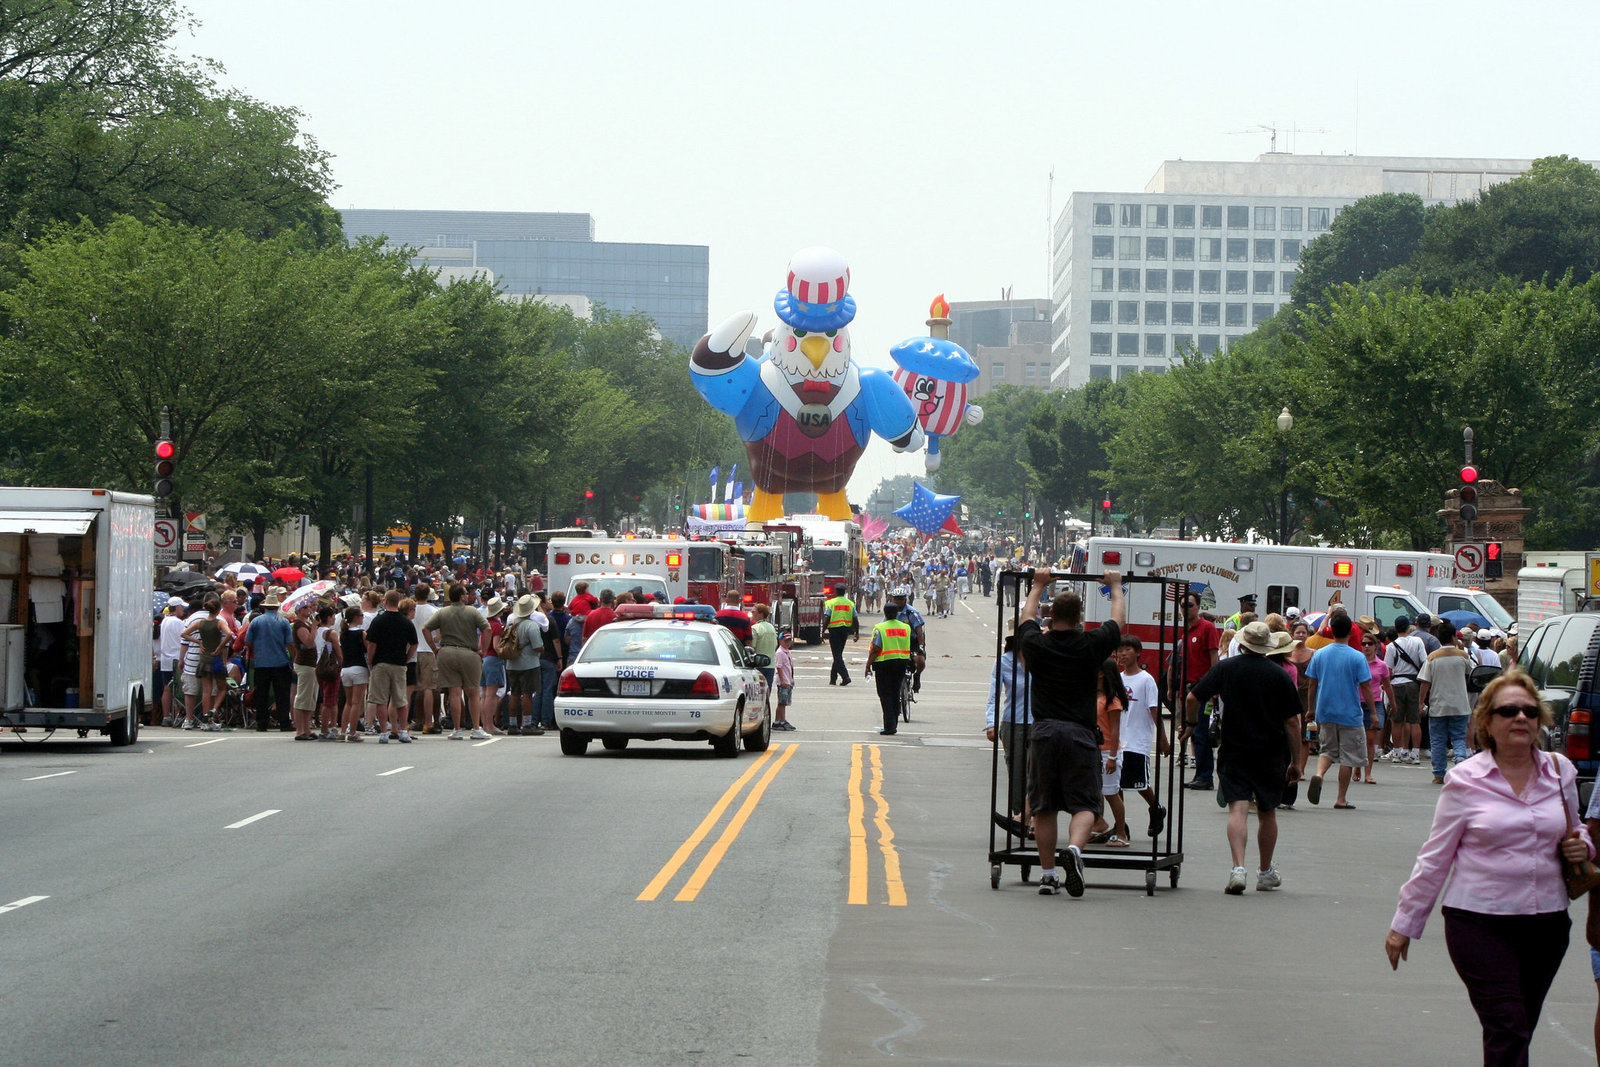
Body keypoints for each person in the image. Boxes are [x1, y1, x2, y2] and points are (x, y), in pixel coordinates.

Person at [1386, 669, 1593, 1066]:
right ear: (1487, 722)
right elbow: (1435, 856)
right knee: (1508, 1026)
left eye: (1530, 711)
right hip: (1478, 923)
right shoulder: (1465, 780)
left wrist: (1580, 846)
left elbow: (1576, 829)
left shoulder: (1560, 770)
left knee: (1516, 1031)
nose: (1521, 718)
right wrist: (1404, 925)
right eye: (1509, 710)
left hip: (1546, 923)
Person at [1017, 566, 1124, 898]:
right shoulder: (1090, 644)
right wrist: (1116, 587)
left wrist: (1037, 586)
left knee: (1045, 805)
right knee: (1085, 804)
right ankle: (1075, 850)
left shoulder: (1037, 644)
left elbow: (1025, 621)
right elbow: (1117, 624)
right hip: (1080, 731)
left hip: (1045, 730)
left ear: (1051, 616)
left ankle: (1048, 874)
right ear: (1079, 616)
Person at [1187, 621, 1304, 894]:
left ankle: (1237, 868)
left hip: (1234, 747)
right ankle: (1265, 871)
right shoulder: (1280, 675)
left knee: (1237, 808)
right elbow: (1292, 722)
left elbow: (1193, 698)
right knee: (1267, 811)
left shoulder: (1225, 668)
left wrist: (1191, 724)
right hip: (1270, 750)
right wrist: (1296, 761)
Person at [1304, 612, 1375, 809]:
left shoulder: (1319, 654)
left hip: (1325, 711)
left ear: (1332, 631)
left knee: (1327, 750)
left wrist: (1311, 708)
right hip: (1349, 713)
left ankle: (1318, 774)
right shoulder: (1357, 657)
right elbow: (1366, 686)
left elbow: (1312, 684)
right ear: (1350, 633)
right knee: (1348, 756)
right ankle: (1341, 798)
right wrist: (1374, 712)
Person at [423, 583, 492, 740]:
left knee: (454, 692)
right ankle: (475, 727)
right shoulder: (472, 611)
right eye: (466, 593)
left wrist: (434, 648)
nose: (468, 595)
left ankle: (457, 729)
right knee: (473, 693)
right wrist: (484, 650)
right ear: (462, 596)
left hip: (447, 652)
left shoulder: (443, 612)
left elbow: (426, 629)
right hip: (469, 653)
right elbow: (486, 629)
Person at [1116, 636, 1168, 837]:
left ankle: (1156, 808)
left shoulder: (1146, 680)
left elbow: (1154, 710)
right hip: (1118, 740)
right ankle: (1120, 825)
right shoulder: (1117, 679)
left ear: (1137, 652)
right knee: (1115, 785)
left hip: (1138, 740)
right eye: (1120, 651)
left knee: (1139, 783)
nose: (1123, 654)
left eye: (1127, 650)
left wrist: (1162, 739)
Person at [985, 632, 1034, 832]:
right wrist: (991, 722)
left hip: (1038, 724)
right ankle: (1020, 816)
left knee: (1036, 774)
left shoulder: (1040, 659)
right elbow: (994, 695)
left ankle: (1034, 818)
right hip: (1012, 724)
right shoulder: (1004, 662)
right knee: (1017, 772)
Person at [1172, 590, 1220, 790]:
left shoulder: (1207, 627)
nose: (1185, 609)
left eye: (1190, 605)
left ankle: (1205, 776)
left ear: (1199, 607)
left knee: (1201, 733)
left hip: (1203, 688)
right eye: (1183, 606)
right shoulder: (1186, 630)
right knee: (1192, 732)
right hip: (1189, 688)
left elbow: (1213, 657)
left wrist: (1214, 686)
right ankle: (1201, 774)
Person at [1420, 619, 1474, 785]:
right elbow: (1471, 673)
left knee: (1437, 740)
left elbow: (1425, 682)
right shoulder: (1463, 656)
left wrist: (1421, 702)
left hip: (1438, 706)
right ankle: (1459, 758)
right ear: (1453, 637)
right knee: (1458, 737)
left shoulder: (1432, 657)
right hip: (1460, 705)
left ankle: (1439, 774)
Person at [365, 589, 417, 743]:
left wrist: (371, 659)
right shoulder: (406, 621)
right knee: (401, 699)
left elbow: (372, 643)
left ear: (385, 602)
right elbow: (414, 644)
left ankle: (383, 732)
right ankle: (403, 730)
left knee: (381, 699)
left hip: (381, 662)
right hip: (399, 663)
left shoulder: (379, 620)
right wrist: (406, 658)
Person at [245, 591, 294, 732]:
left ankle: (262, 722)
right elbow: (289, 643)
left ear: (264, 607)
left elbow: (248, 643)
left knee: (261, 694)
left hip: (261, 662)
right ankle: (284, 722)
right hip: (280, 662)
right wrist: (294, 658)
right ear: (277, 608)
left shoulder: (255, 621)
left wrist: (259, 647)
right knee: (282, 694)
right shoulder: (283, 622)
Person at [863, 602, 913, 736]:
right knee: (895, 693)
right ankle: (893, 723)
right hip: (901, 662)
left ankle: (889, 726)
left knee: (885, 695)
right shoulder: (906, 627)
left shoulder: (880, 628)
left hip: (884, 664)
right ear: (897, 614)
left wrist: (868, 665)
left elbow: (876, 649)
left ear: (884, 613)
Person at [1385, 616, 1427, 765]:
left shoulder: (1391, 646)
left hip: (1397, 683)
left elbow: (1388, 670)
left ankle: (1397, 752)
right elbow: (1424, 661)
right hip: (1413, 683)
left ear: (1396, 628)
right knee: (1414, 720)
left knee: (1396, 721)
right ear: (1408, 628)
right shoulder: (1417, 642)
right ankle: (1414, 754)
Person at [504, 594, 547, 736]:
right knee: (527, 694)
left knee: (514, 693)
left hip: (512, 663)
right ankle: (527, 724)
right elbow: (537, 646)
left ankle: (512, 724)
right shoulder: (532, 626)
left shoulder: (511, 623)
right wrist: (542, 649)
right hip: (529, 664)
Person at [1361, 626, 1393, 784]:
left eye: (1369, 644)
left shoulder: (1382, 666)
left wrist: (1393, 704)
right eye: (1363, 643)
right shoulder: (1357, 662)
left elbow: (1387, 686)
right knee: (1357, 739)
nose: (1366, 646)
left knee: (1370, 739)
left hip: (1375, 703)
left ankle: (1368, 773)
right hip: (1358, 703)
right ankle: (1355, 768)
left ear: (1375, 646)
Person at [338, 605, 369, 742]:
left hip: (345, 668)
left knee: (348, 702)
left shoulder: (343, 633)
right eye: (361, 615)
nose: (363, 617)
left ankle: (343, 731)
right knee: (357, 702)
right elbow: (368, 650)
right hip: (359, 668)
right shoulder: (361, 633)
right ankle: (352, 732)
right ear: (356, 617)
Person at [822, 587, 858, 686]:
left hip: (834, 631)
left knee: (837, 655)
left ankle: (845, 676)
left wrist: (822, 631)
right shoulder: (850, 603)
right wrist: (857, 632)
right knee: (837, 654)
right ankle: (833, 679)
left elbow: (827, 618)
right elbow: (855, 619)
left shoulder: (831, 603)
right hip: (845, 631)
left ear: (836, 592)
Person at [749, 603, 778, 710]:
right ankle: (765, 712)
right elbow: (775, 645)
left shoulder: (755, 628)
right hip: (770, 665)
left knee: (756, 695)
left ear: (761, 614)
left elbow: (752, 647)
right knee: (766, 693)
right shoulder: (771, 628)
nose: (752, 613)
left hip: (758, 665)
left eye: (753, 612)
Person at [773, 630, 796, 731]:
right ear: (780, 641)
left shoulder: (787, 652)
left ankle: (777, 721)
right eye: (785, 641)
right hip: (783, 682)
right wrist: (782, 680)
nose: (787, 643)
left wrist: (791, 679)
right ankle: (782, 721)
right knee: (782, 703)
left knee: (782, 702)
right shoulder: (780, 653)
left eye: (789, 641)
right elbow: (779, 667)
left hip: (787, 680)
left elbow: (790, 667)